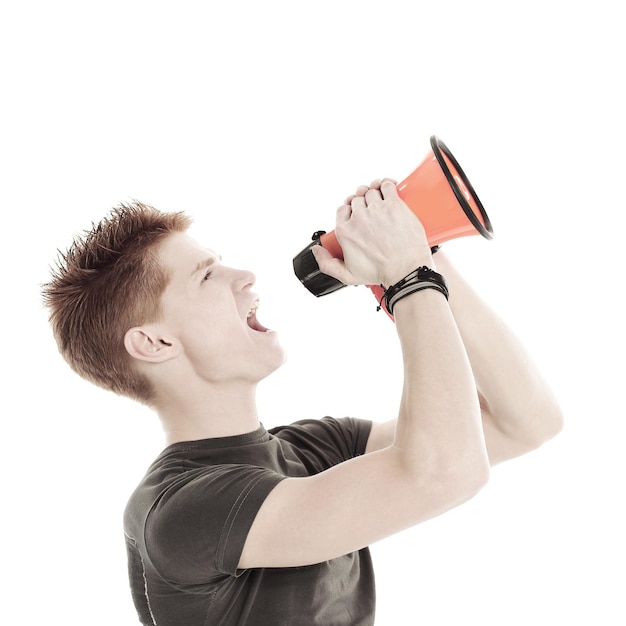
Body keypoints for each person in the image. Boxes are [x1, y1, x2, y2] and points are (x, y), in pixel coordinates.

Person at [42, 179, 563, 625]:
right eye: (206, 275)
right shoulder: (180, 511)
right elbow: (445, 472)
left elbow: (527, 421)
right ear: (154, 343)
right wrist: (407, 279)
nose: (243, 277)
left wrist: (421, 261)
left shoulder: (312, 449)